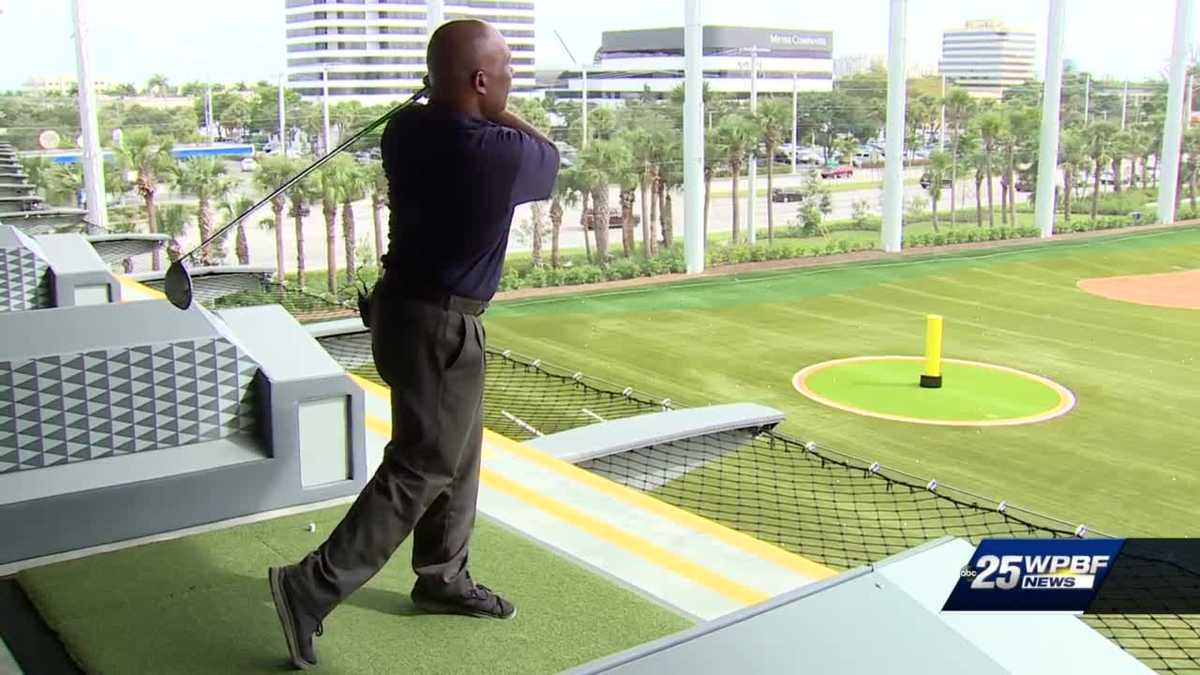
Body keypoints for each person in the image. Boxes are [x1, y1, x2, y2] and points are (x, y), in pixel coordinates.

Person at [267, 18, 559, 670]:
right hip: (442, 328)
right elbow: (549, 155)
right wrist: (498, 108)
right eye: (506, 72)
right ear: (479, 81)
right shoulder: (499, 153)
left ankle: (442, 576)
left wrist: (449, 92)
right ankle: (308, 587)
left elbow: (451, 111)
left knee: (457, 452)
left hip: (399, 312)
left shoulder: (404, 130)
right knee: (421, 466)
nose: (511, 82)